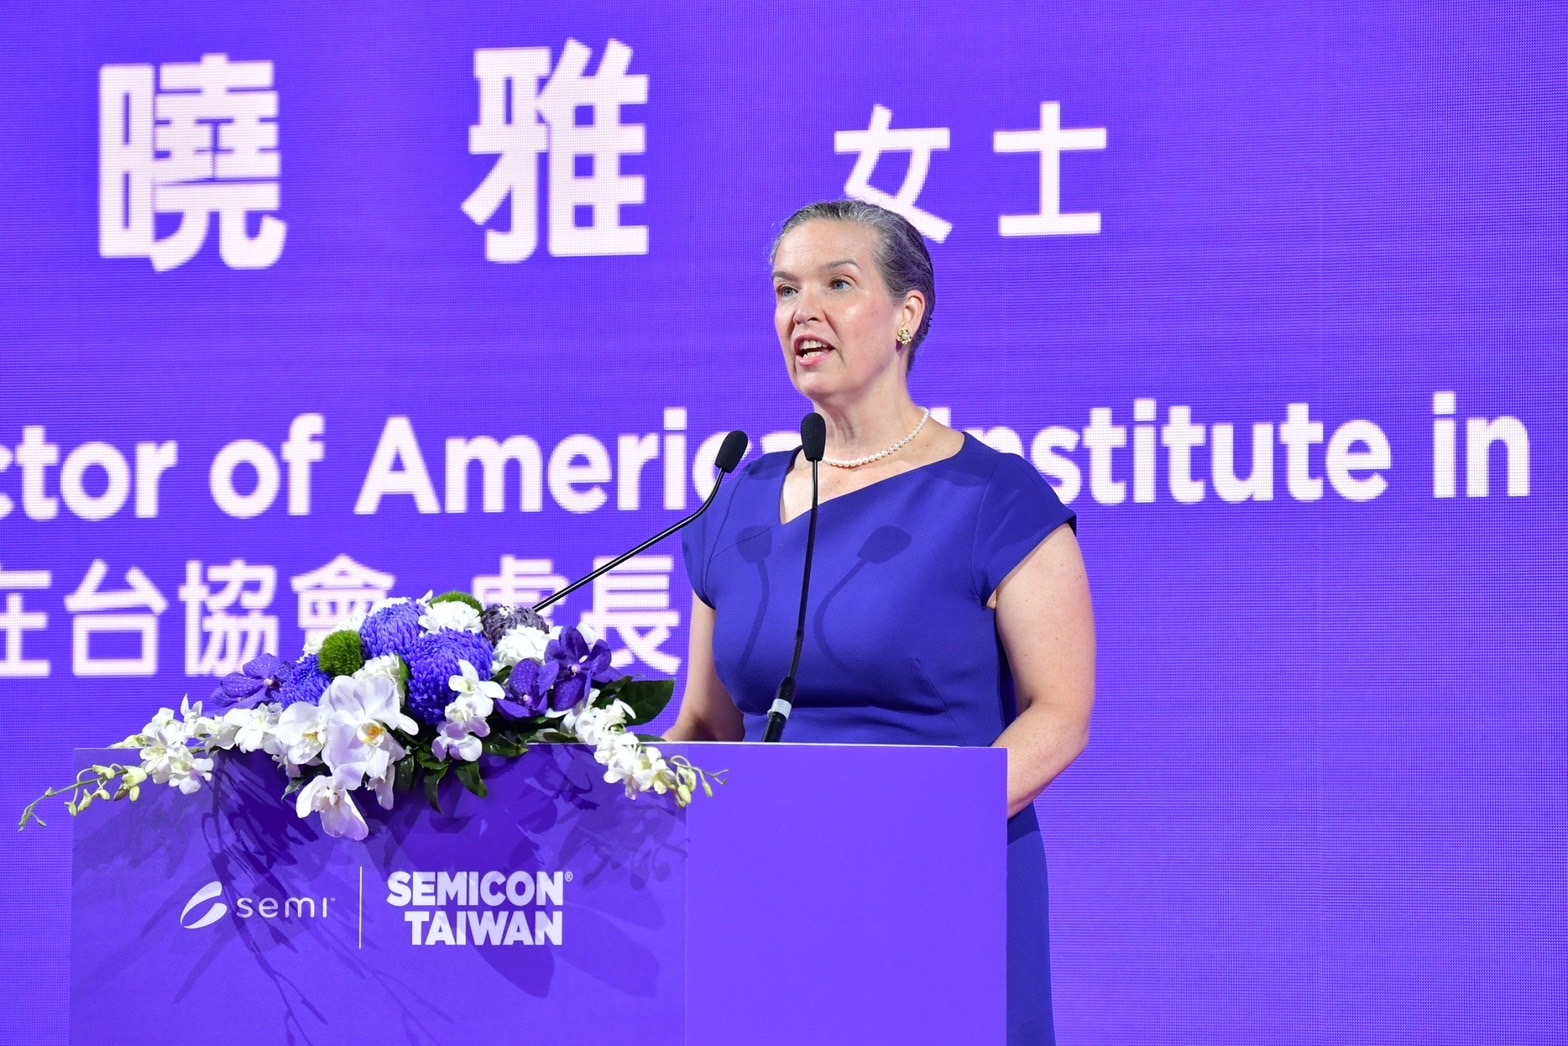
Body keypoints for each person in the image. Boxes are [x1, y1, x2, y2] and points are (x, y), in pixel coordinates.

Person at [667, 199, 1096, 1046]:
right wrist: (592, 791)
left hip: (939, 883)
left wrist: (910, 823)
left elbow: (1060, 715)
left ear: (908, 315)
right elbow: (709, 728)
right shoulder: (735, 506)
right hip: (772, 897)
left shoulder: (994, 498)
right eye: (786, 290)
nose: (803, 312)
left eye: (837, 284)